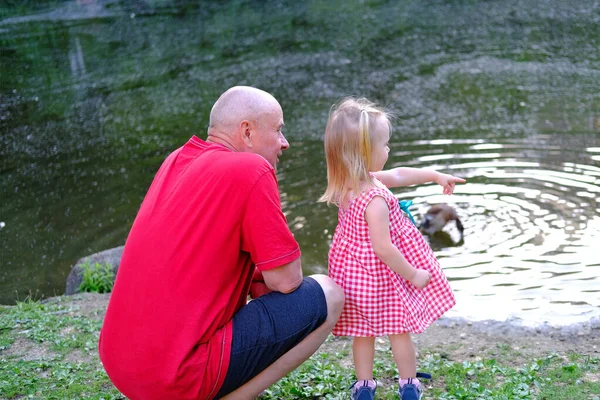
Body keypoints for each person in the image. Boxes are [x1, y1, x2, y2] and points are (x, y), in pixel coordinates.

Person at [99, 86, 345, 400]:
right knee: (329, 293)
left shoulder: (177, 160)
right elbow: (285, 280)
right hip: (173, 379)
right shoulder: (252, 170)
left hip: (121, 365)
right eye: (279, 130)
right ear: (247, 132)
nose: (285, 143)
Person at [319, 97, 465, 400]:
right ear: (364, 153)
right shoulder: (375, 199)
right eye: (384, 145)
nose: (388, 150)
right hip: (383, 278)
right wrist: (413, 274)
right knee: (399, 331)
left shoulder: (349, 184)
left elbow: (398, 174)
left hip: (355, 278)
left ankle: (364, 386)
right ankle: (409, 384)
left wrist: (435, 176)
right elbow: (383, 248)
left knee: (363, 333)